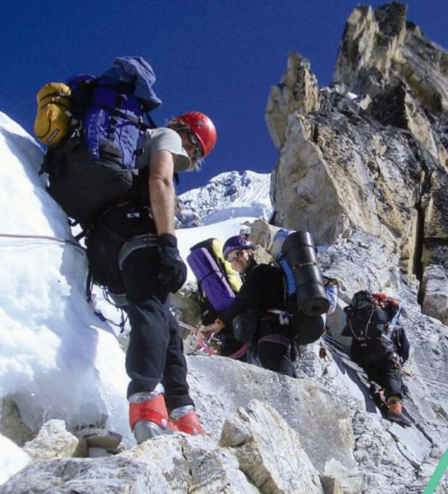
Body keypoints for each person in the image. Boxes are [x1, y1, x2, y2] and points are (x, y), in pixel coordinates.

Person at [85, 111, 217, 443]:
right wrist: (169, 243)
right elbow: (160, 180)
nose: (191, 156)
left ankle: (181, 409)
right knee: (151, 309)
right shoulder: (166, 136)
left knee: (168, 328)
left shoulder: (136, 144)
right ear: (186, 132)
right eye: (195, 149)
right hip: (135, 230)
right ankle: (144, 400)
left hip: (106, 243)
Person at [200, 235, 298, 377]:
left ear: (250, 252)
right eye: (231, 259)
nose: (235, 261)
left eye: (239, 254)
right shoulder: (259, 274)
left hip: (271, 334)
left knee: (283, 380)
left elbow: (242, 301)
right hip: (277, 333)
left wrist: (218, 324)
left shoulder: (260, 272)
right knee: (285, 378)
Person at [343, 291, 414, 427]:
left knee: (373, 368)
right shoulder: (393, 324)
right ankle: (395, 406)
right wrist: (399, 362)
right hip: (379, 351)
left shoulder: (357, 313)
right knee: (392, 370)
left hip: (357, 353)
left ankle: (380, 390)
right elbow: (404, 351)